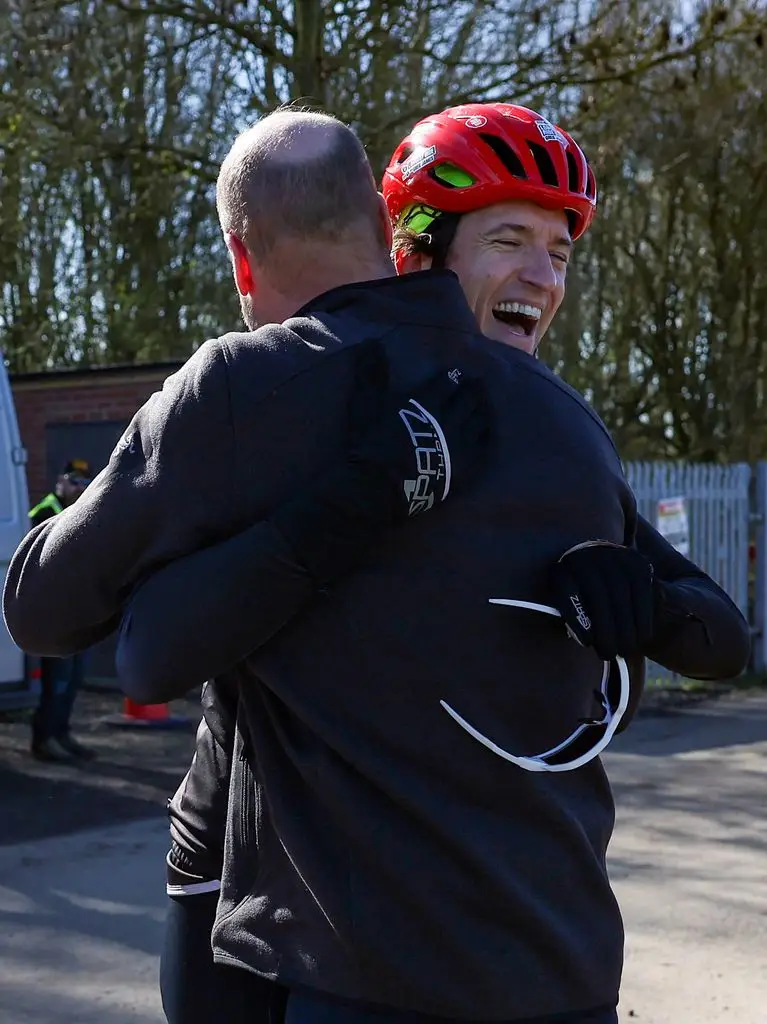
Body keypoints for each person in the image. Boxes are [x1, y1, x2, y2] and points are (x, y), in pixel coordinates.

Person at [2, 107, 748, 1024]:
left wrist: (635, 612)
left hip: (437, 958)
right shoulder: (512, 415)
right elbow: (156, 654)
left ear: (244, 257)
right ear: (406, 247)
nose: (540, 278)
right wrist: (352, 504)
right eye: (509, 239)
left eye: (559, 253)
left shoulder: (546, 425)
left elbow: (700, 639)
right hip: (409, 942)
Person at [27, 459, 95, 762]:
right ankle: (44, 739)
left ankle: (61, 734)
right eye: (73, 481)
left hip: (79, 614)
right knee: (57, 681)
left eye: (83, 482)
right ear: (60, 482)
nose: (79, 488)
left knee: (73, 679)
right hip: (55, 615)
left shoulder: (82, 515)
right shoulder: (44, 513)